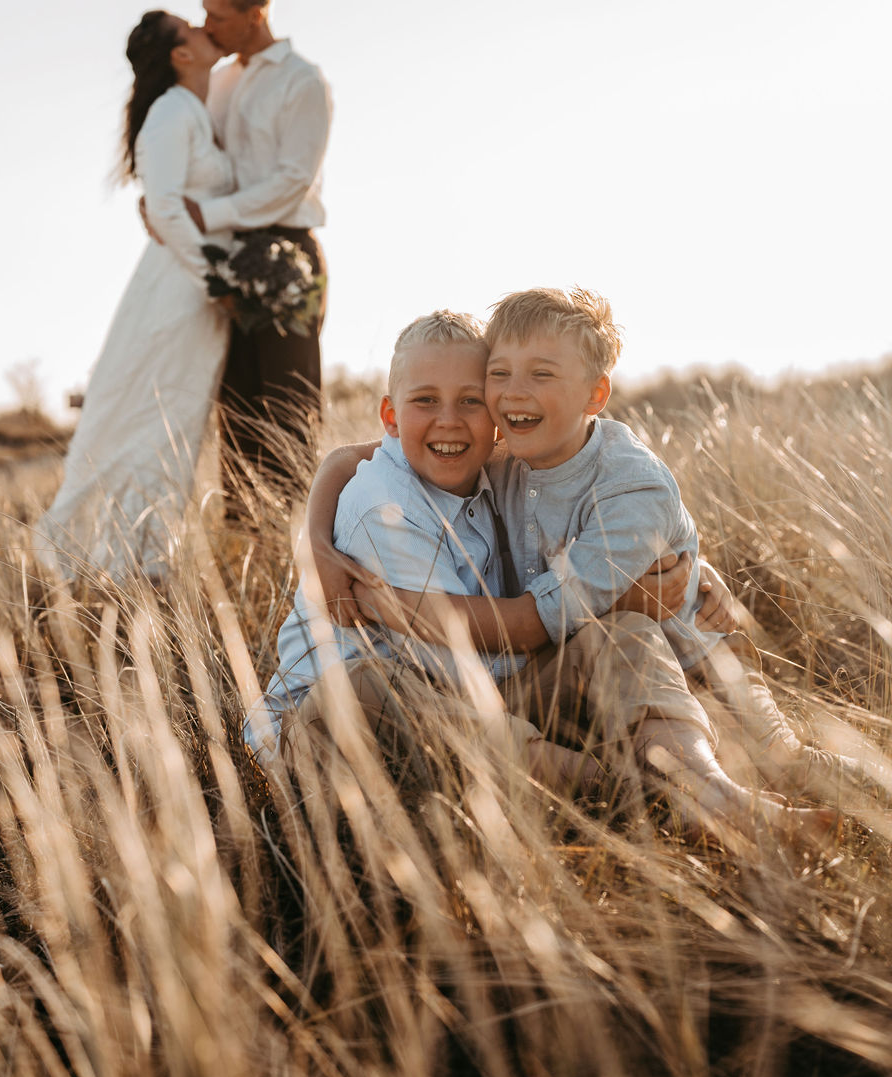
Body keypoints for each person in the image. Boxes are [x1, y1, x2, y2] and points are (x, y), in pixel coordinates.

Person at [303, 290, 841, 843]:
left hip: (700, 667)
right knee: (362, 688)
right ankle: (636, 793)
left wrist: (385, 604)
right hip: (564, 680)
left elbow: (532, 625)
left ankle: (719, 795)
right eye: (501, 374)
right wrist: (316, 543)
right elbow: (352, 455)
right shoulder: (499, 452)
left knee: (785, 759)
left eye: (540, 374)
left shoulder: (625, 483)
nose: (514, 392)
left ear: (595, 395)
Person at [246, 311, 626, 794]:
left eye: (471, 401)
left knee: (618, 638)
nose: (449, 420)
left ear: (498, 416)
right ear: (391, 417)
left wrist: (664, 581)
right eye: (426, 400)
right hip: (318, 729)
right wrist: (575, 618)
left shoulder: (497, 476)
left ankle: (675, 764)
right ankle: (600, 784)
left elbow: (609, 515)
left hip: (458, 701)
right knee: (365, 686)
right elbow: (461, 665)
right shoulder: (385, 506)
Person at [37, 11, 232, 584]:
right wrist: (217, 282)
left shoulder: (196, 106)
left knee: (176, 417)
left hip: (198, 286)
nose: (204, 28)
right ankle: (125, 563)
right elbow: (165, 207)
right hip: (181, 289)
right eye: (190, 28)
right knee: (156, 414)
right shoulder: (171, 111)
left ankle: (145, 557)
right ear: (181, 55)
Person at [192, 0, 332, 520]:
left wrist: (209, 213)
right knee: (237, 408)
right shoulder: (218, 81)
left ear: (255, 15)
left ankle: (298, 537)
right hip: (227, 253)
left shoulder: (303, 80)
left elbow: (292, 179)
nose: (206, 27)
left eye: (217, 16)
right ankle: (245, 537)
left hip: (287, 255)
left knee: (289, 405)